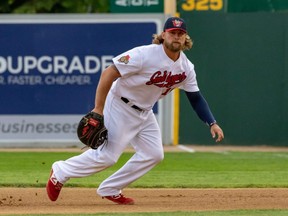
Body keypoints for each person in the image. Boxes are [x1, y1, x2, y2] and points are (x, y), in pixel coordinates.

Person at [46, 17, 224, 205]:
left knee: (154, 154)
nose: (176, 37)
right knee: (107, 157)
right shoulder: (144, 55)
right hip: (121, 104)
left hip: (145, 112)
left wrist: (212, 122)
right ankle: (61, 171)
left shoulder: (186, 68)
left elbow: (195, 98)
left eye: (180, 34)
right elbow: (109, 72)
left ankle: (111, 187)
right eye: (172, 33)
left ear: (185, 37)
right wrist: (99, 108)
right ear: (164, 35)